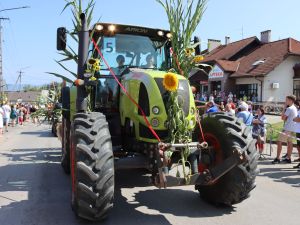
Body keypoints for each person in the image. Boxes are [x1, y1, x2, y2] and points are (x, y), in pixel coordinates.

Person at [272, 95, 298, 164]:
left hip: (288, 128)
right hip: (292, 128)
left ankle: (278, 158)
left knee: (279, 141)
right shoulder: (294, 107)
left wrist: (284, 108)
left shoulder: (289, 108)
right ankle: (288, 158)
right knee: (289, 142)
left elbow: (283, 118)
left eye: (286, 100)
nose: (285, 101)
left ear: (290, 100)